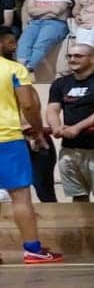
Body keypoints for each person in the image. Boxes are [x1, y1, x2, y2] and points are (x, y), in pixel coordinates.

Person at [0, 44, 59, 263]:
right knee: (20, 197)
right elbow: (27, 105)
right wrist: (37, 130)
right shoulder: (14, 69)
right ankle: (32, 249)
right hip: (7, 138)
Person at [47, 44, 94, 203]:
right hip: (69, 147)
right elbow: (52, 109)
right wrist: (55, 126)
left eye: (78, 56)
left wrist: (78, 127)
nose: (72, 59)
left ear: (92, 59)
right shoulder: (60, 83)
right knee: (77, 196)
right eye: (69, 56)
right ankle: (81, 229)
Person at [18, 0, 72, 71]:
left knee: (42, 42)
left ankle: (29, 67)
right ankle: (21, 66)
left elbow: (57, 12)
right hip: (36, 22)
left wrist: (39, 11)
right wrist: (50, 8)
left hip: (56, 23)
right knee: (24, 41)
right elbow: (31, 11)